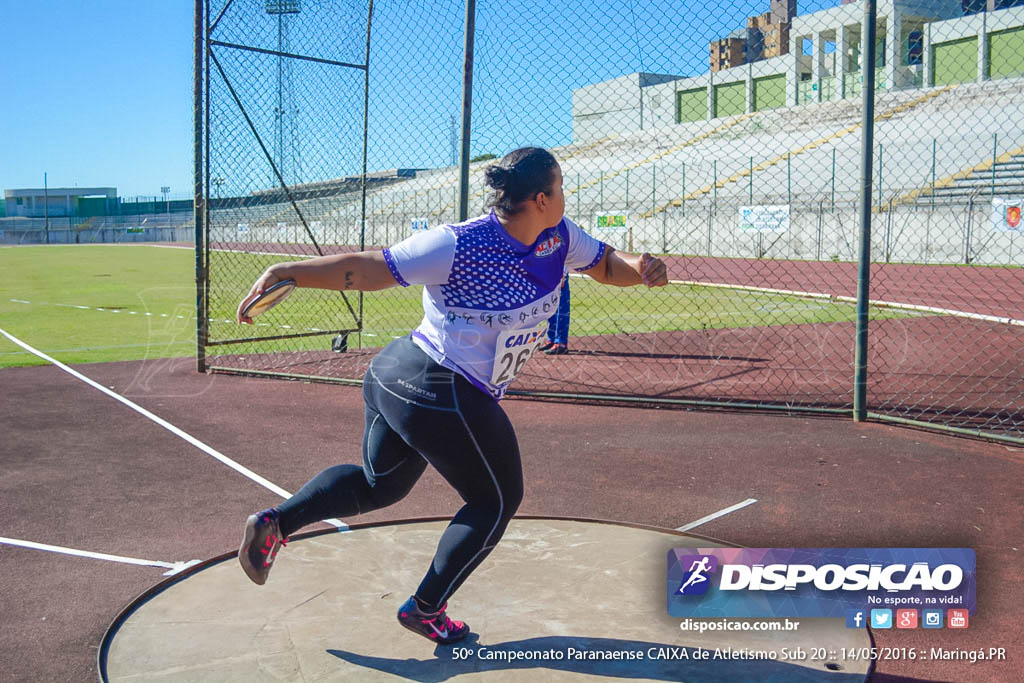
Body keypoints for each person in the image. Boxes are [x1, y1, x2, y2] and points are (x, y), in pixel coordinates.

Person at [235, 147, 668, 645]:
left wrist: (640, 266)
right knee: (497, 499)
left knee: (383, 487)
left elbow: (606, 264)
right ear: (543, 198)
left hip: (398, 375)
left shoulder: (559, 236)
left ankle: (275, 523)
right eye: (564, 188)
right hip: (439, 386)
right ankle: (426, 609)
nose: (568, 196)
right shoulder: (459, 244)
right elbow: (372, 268)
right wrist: (289, 272)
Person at [539, 273, 571, 355]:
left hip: (559, 272)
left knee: (561, 308)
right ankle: (552, 339)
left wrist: (563, 273)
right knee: (550, 306)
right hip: (549, 272)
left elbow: (565, 260)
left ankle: (561, 343)